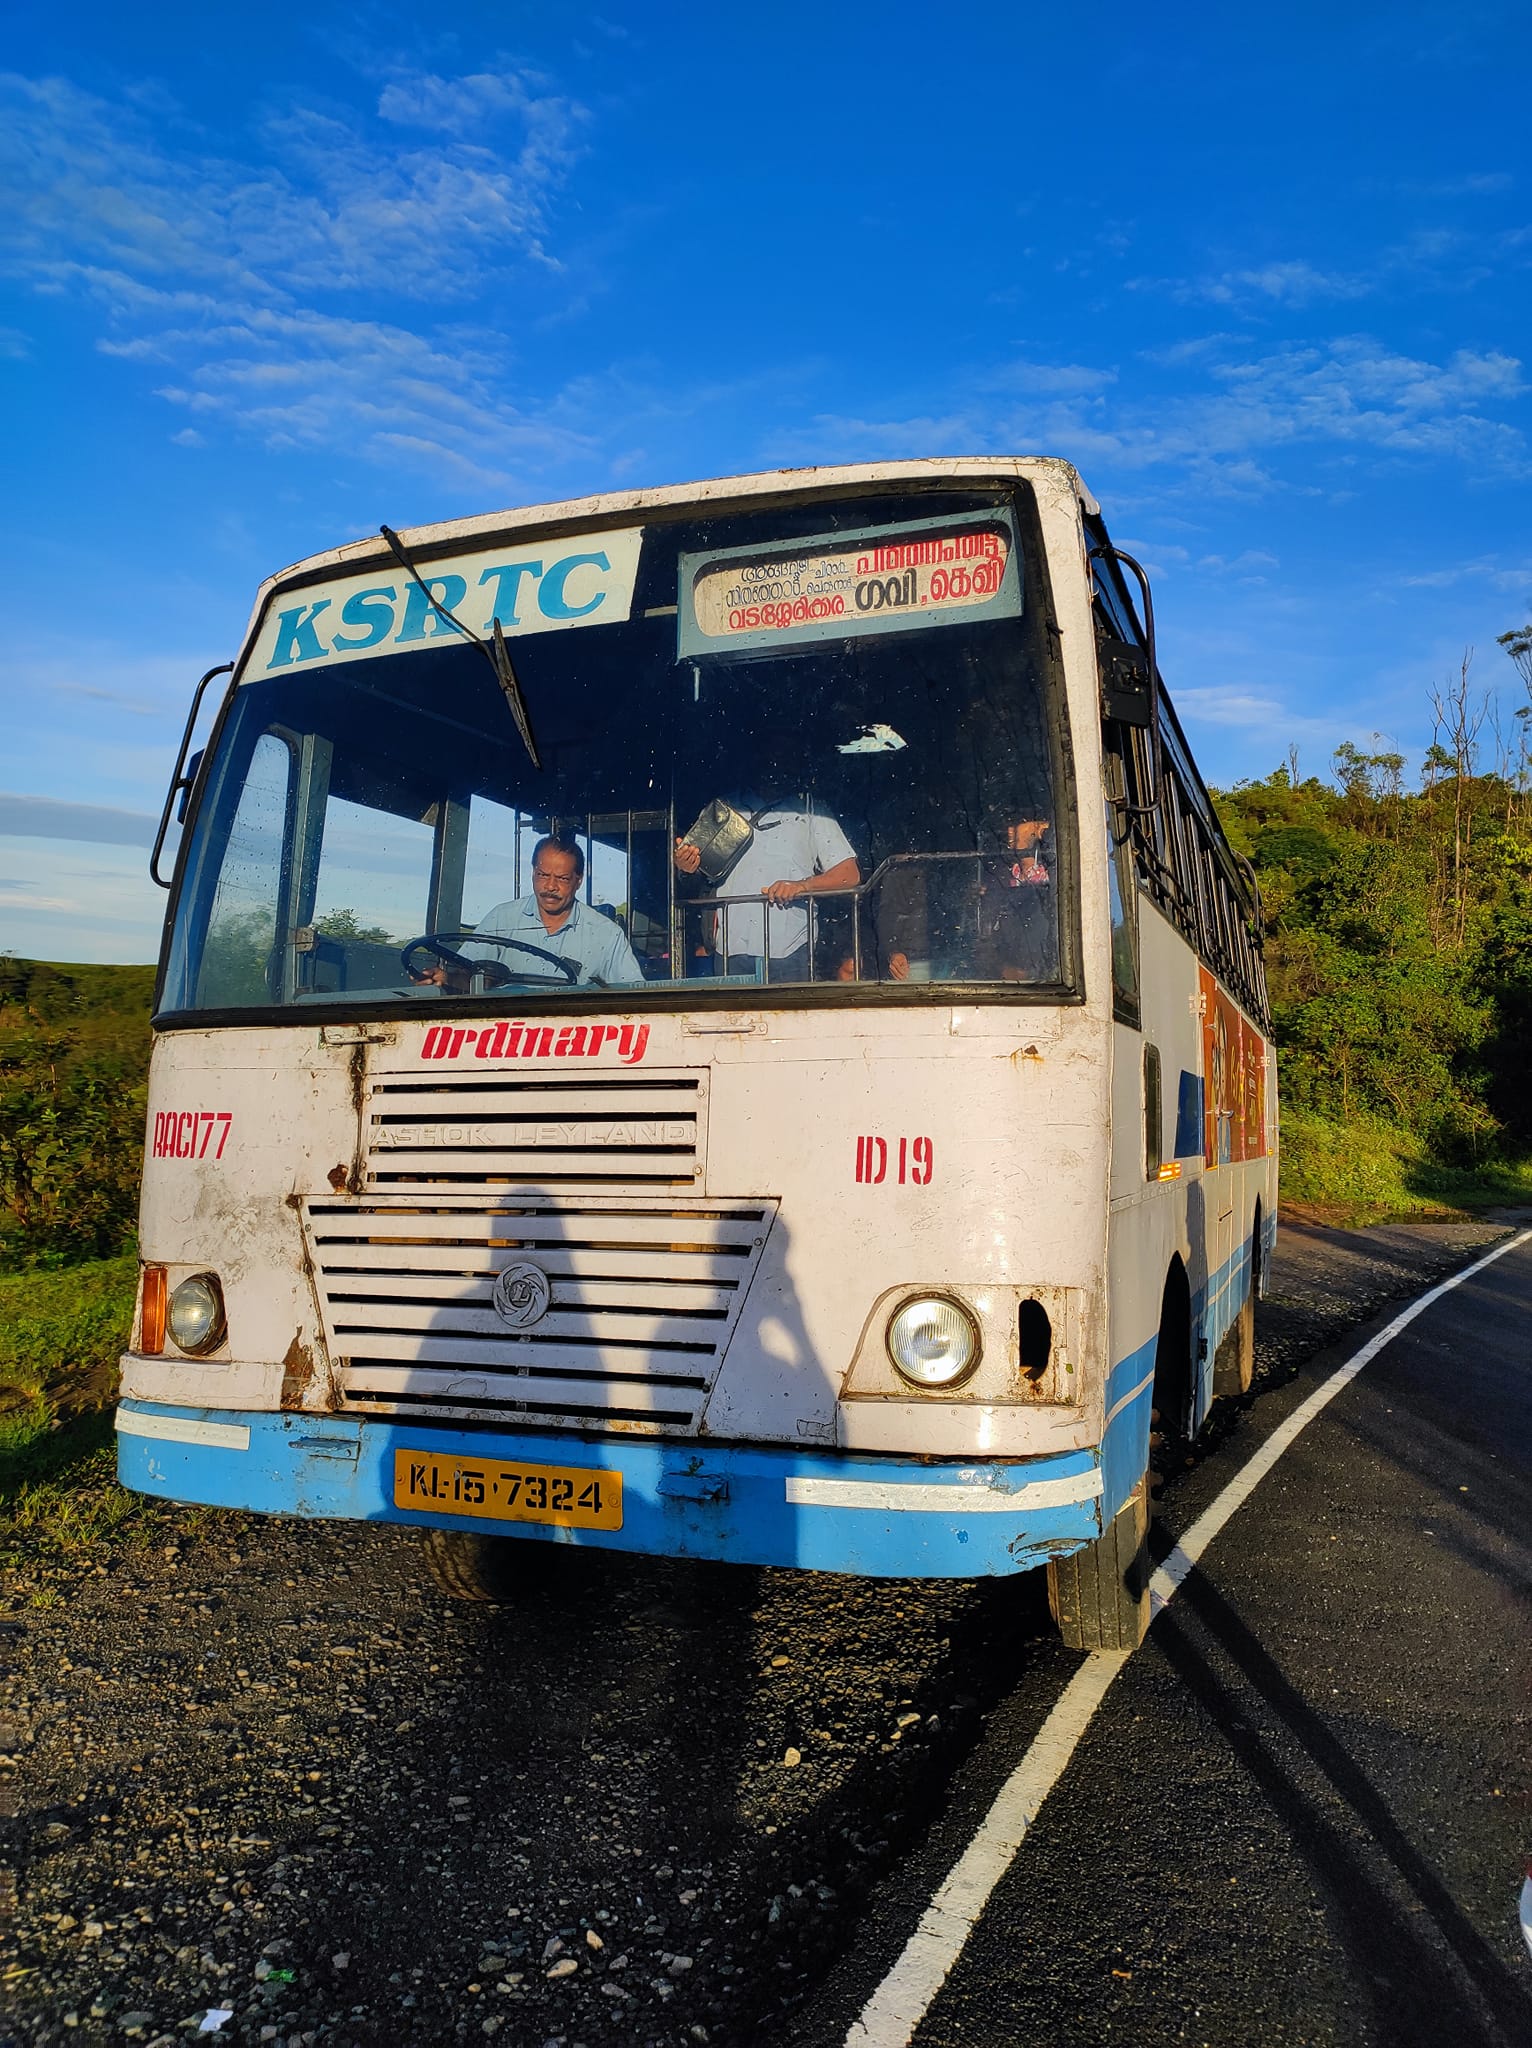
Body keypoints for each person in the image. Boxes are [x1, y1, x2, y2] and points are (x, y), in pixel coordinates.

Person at [674, 800, 860, 980]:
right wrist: (686, 866)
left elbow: (849, 874)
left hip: (791, 949)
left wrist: (802, 886)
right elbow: (694, 877)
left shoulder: (810, 808)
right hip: (730, 948)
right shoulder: (721, 807)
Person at [457, 833, 645, 986]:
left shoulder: (607, 935)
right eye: (543, 875)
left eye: (562, 878)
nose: (550, 886)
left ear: (578, 880)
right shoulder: (501, 918)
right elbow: (462, 973)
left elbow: (634, 995)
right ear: (533, 873)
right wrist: (449, 978)